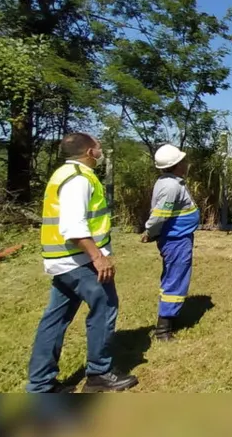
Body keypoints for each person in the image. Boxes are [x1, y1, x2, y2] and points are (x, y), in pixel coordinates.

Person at [26, 132, 138, 393]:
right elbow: (73, 227)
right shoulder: (78, 179)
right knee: (105, 306)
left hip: (62, 260)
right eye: (98, 147)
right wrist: (98, 257)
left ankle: (41, 383)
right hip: (79, 261)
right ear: (89, 152)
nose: (100, 151)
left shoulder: (62, 174)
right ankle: (99, 373)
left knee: (55, 319)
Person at [140, 143, 200, 341]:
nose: (187, 163)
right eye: (184, 161)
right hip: (176, 240)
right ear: (177, 164)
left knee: (175, 276)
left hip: (179, 237)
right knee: (175, 279)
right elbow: (159, 215)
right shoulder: (171, 186)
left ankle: (170, 318)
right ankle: (163, 328)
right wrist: (150, 232)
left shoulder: (170, 182)